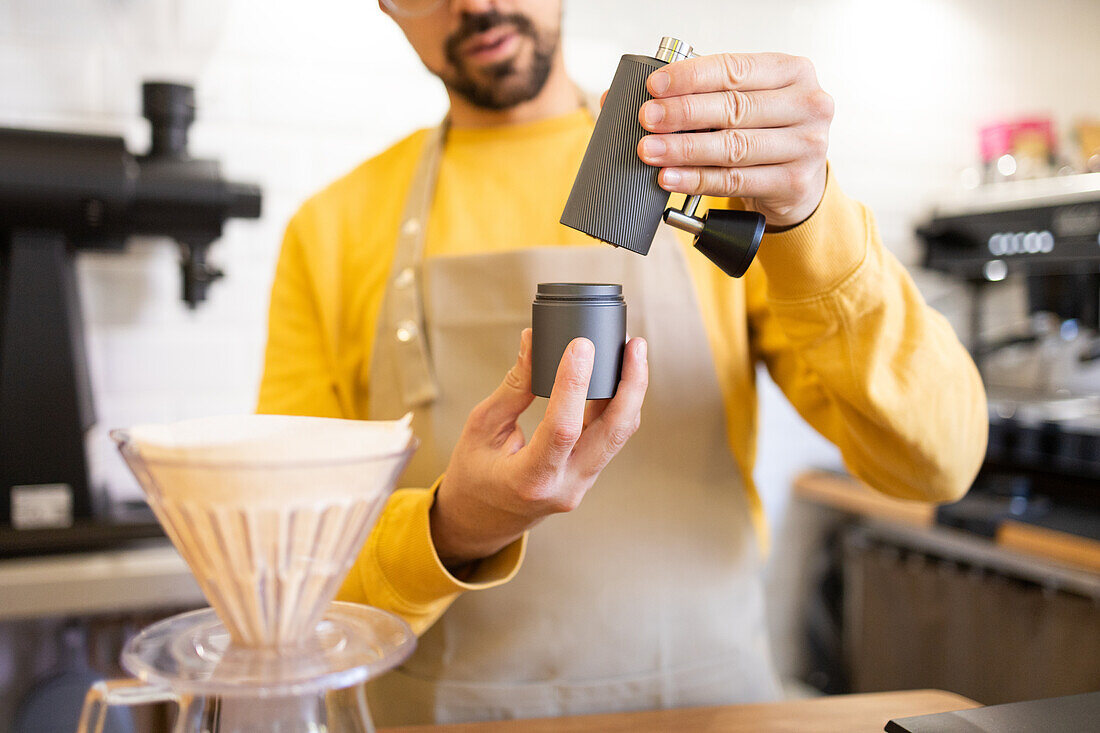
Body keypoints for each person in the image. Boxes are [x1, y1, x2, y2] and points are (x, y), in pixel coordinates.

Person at [257, 0, 987, 725]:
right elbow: (288, 580)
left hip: (714, 712)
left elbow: (936, 464)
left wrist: (810, 215)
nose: (475, 3)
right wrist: (454, 529)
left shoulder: (704, 177)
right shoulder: (330, 231)